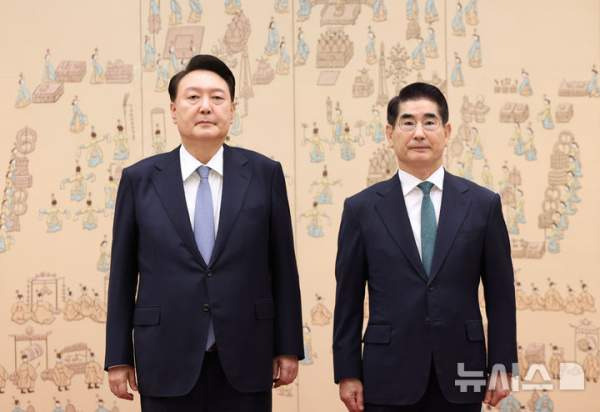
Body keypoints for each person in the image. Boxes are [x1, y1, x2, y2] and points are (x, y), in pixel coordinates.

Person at [104, 54, 304, 411]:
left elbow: (283, 267)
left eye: (217, 97)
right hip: (165, 355)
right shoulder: (140, 180)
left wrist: (288, 346)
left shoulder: (264, 174)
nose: (205, 107)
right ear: (173, 109)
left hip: (247, 353)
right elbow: (122, 275)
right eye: (193, 97)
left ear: (233, 109)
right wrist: (118, 356)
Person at [333, 82, 517, 412]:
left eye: (429, 122)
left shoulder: (482, 205)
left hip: (462, 371)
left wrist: (502, 365)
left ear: (447, 132)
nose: (419, 133)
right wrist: (347, 372)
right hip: (386, 374)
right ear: (390, 133)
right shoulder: (362, 209)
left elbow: (501, 295)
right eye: (408, 122)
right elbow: (347, 299)